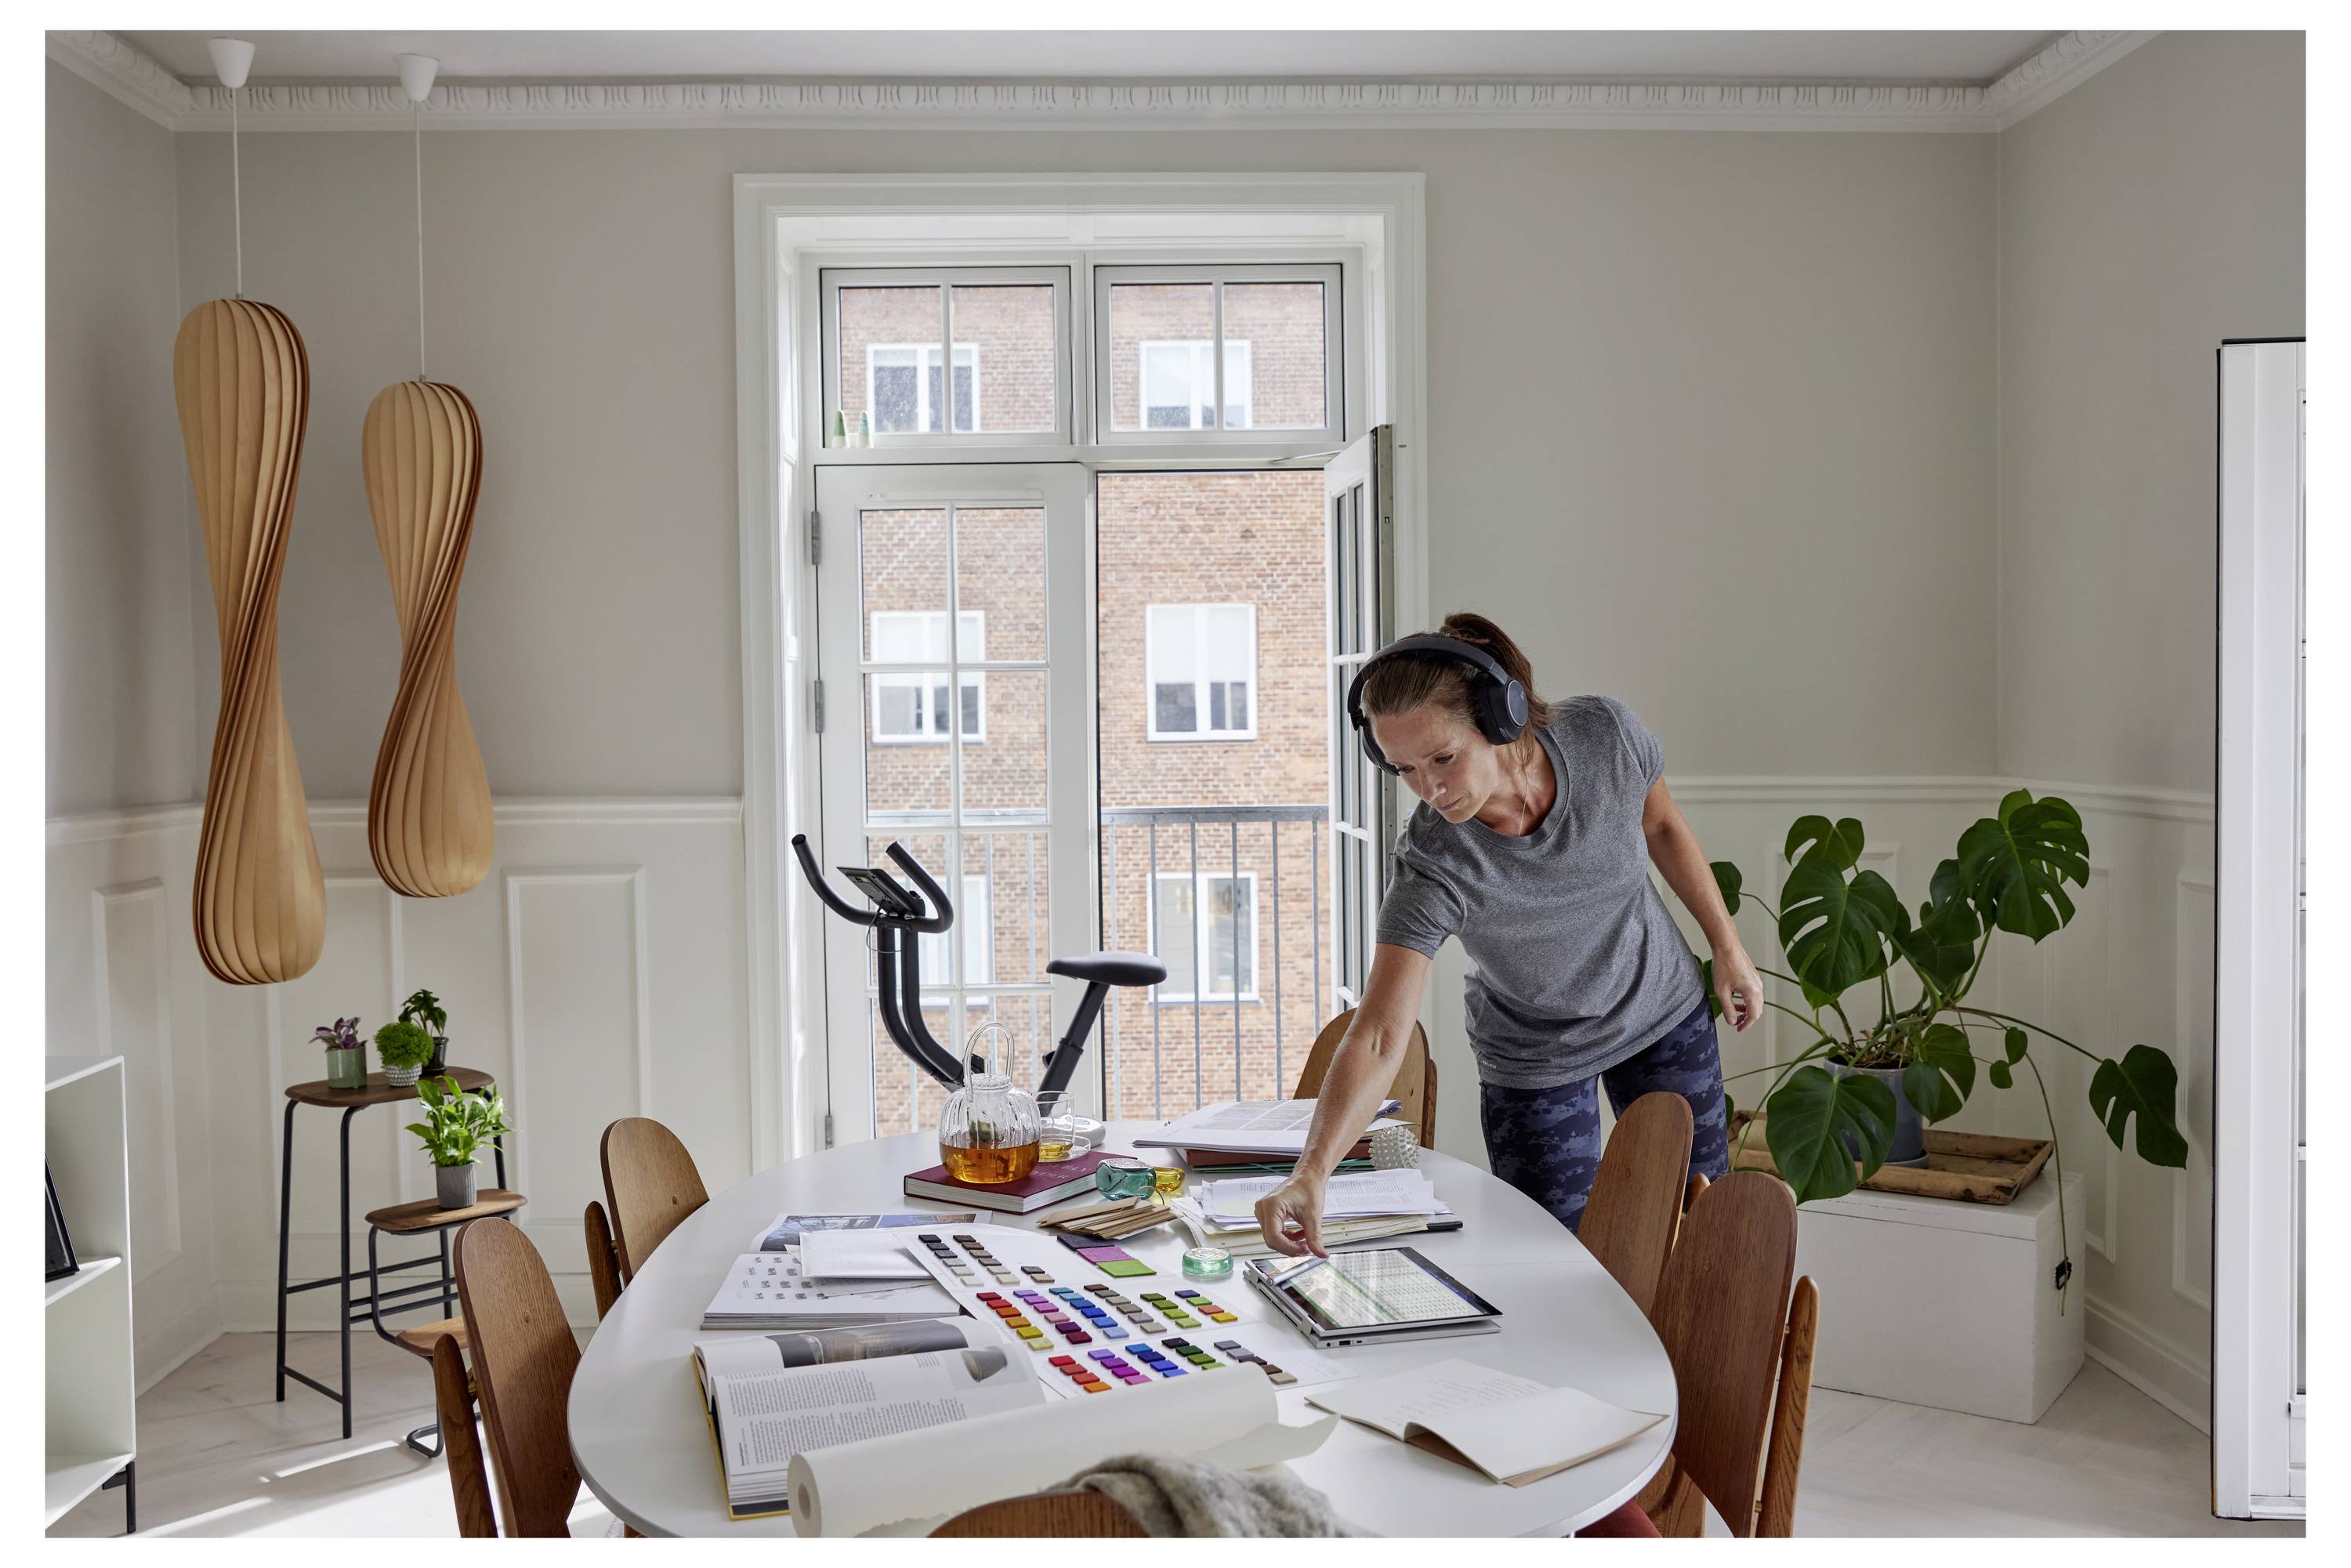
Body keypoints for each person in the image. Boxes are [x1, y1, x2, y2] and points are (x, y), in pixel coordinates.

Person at [1255, 614, 1760, 1255]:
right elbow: (1381, 1033)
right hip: (1534, 1053)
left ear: (1502, 718)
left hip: (1659, 1008)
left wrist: (1727, 946)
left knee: (1699, 1231)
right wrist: (1311, 1172)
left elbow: (1660, 825)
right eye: (1404, 769)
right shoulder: (1434, 863)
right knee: (1552, 1258)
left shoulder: (1604, 737)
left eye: (1443, 757)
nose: (1430, 789)